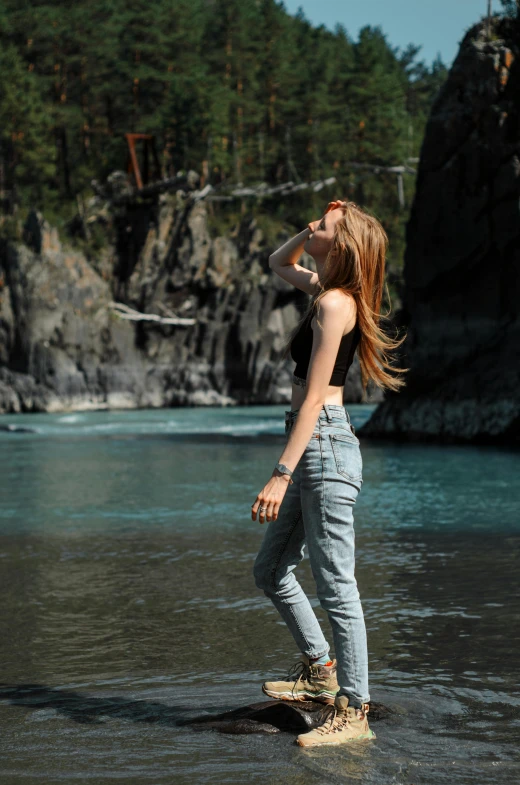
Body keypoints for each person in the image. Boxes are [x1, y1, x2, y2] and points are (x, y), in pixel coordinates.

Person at [251, 199, 408, 748]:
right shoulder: (327, 292)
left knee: (338, 585)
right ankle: (320, 670)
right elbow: (276, 261)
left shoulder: (336, 303)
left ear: (343, 247)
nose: (312, 226)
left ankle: (354, 709)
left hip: (324, 447)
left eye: (323, 225)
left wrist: (279, 474)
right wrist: (314, 230)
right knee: (270, 570)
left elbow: (316, 396)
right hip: (314, 445)